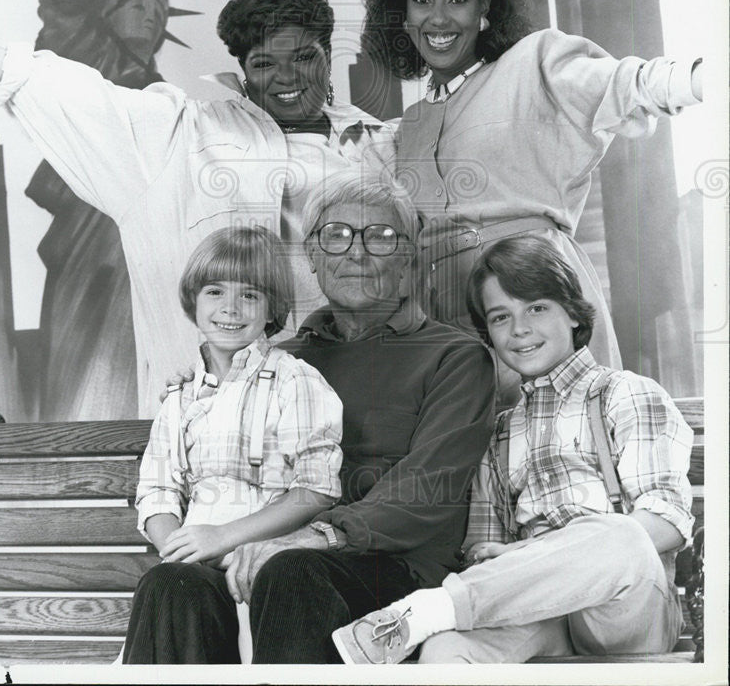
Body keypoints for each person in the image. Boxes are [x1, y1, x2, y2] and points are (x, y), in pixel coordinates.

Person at [0, 0, 395, 416]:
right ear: (243, 71)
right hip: (204, 430)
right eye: (264, 63)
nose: (286, 77)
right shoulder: (181, 136)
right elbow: (65, 90)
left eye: (303, 57)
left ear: (328, 56)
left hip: (350, 415)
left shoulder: (383, 148)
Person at [139, 170, 495, 663]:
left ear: (410, 255)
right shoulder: (276, 360)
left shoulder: (454, 356)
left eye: (382, 237)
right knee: (172, 584)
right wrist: (198, 387)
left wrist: (317, 535)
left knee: (294, 571)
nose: (357, 252)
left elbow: (427, 487)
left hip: (389, 570)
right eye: (337, 235)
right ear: (311, 254)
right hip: (259, 554)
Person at [361, 0, 704, 395]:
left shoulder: (535, 62)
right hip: (445, 330)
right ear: (402, 14)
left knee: (567, 451)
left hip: (535, 300)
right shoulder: (408, 128)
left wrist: (699, 78)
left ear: (485, 8)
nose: (438, 19)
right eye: (422, 0)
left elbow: (625, 83)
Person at [332, 235, 693, 664]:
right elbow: (481, 553)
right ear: (488, 333)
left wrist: (532, 551)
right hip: (536, 611)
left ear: (574, 315)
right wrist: (508, 558)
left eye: (537, 308)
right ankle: (430, 623)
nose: (519, 329)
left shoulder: (623, 393)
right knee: (446, 650)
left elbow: (665, 521)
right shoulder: (500, 432)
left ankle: (423, 611)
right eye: (501, 317)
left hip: (624, 610)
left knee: (622, 533)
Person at [24, 0, 200, 419]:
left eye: (156, 11)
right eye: (133, 4)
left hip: (152, 243)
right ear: (102, 14)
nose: (149, 16)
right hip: (90, 230)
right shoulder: (82, 52)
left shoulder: (162, 98)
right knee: (84, 350)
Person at [122, 225, 343, 663]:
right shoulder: (180, 397)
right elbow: (158, 492)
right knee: (167, 584)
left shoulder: (294, 379)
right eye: (214, 291)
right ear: (193, 301)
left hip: (265, 561)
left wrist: (222, 537)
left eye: (249, 295)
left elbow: (315, 489)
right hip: (196, 569)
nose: (230, 308)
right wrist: (180, 551)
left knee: (266, 582)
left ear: (272, 309)